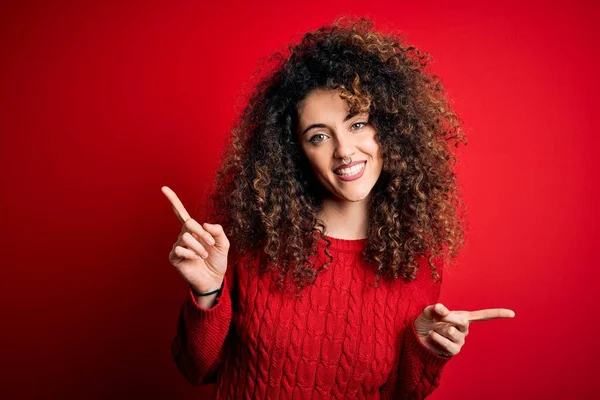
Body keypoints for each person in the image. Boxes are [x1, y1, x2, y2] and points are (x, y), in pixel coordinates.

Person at [162, 17, 515, 399]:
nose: (344, 150)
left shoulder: (413, 260)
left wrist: (425, 349)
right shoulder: (253, 239)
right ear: (295, 151)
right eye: (319, 136)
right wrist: (208, 292)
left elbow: (399, 392)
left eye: (358, 124)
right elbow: (195, 369)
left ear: (391, 129)